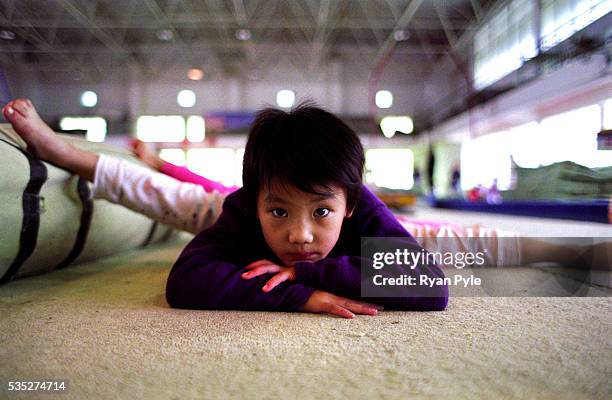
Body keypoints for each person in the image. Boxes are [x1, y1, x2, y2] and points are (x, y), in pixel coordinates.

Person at [2, 98, 448, 318]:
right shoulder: (238, 209)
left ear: (349, 204)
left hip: (313, 206)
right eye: (279, 213)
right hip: (219, 207)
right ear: (254, 201)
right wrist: (300, 296)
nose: (299, 236)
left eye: (321, 213)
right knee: (172, 198)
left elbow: (431, 285)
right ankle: (63, 152)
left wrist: (311, 272)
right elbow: (185, 283)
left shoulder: (360, 205)